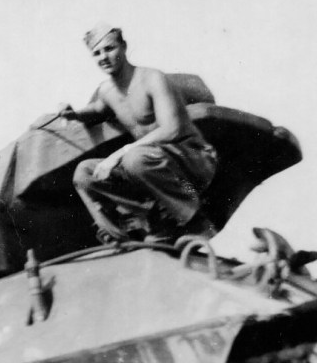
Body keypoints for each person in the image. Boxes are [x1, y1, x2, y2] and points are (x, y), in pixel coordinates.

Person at [60, 23, 218, 243]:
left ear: (124, 47)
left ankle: (196, 221)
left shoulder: (152, 78)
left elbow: (172, 129)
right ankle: (127, 235)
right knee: (85, 173)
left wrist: (120, 153)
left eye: (109, 48)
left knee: (134, 158)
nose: (103, 57)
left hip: (192, 161)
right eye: (96, 53)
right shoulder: (107, 91)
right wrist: (74, 114)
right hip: (151, 162)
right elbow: (97, 110)